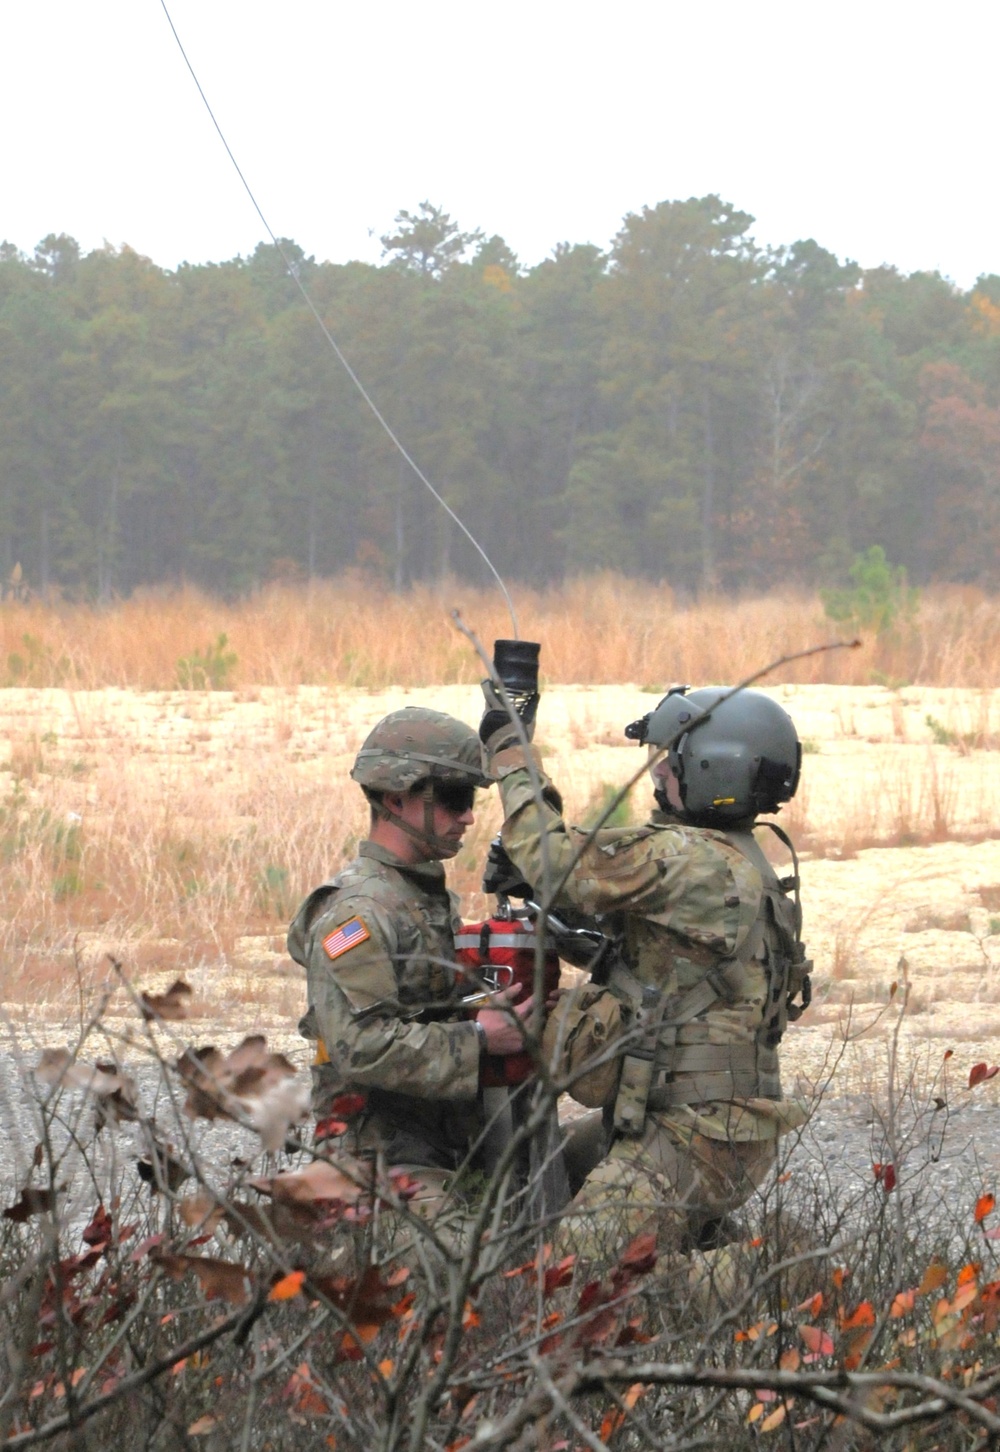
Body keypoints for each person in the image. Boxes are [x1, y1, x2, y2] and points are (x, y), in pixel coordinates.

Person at [479, 677, 812, 1260]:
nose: (658, 774)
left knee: (567, 1278)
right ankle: (708, 1255)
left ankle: (768, 1275)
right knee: (548, 1169)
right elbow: (654, 966)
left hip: (694, 1136)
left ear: (713, 769)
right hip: (715, 1127)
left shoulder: (689, 860)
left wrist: (511, 753)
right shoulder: (743, 862)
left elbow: (555, 861)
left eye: (670, 762)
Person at [288, 706, 538, 1239]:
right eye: (453, 799)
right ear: (395, 798)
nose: (468, 817)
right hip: (375, 1158)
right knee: (466, 1266)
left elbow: (420, 1013)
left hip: (448, 1142)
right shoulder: (357, 913)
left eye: (471, 800)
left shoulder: (423, 898)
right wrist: (478, 1039)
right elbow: (360, 1045)